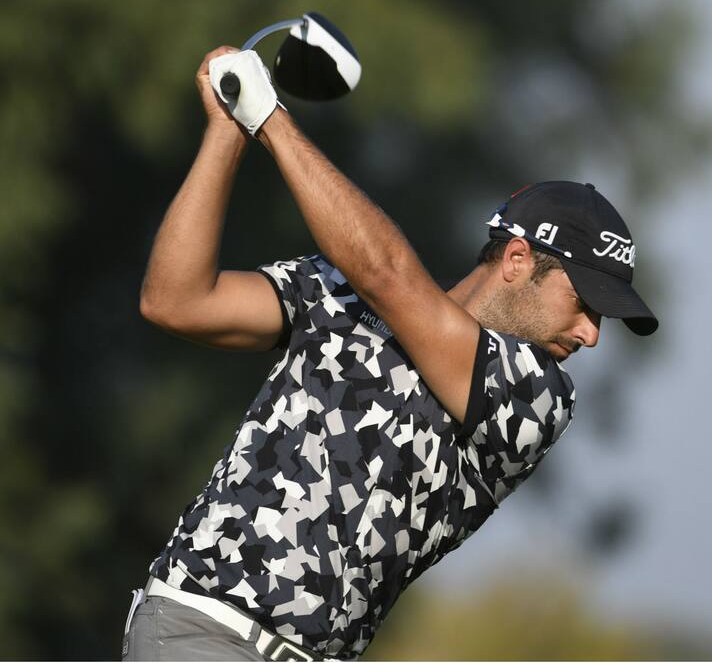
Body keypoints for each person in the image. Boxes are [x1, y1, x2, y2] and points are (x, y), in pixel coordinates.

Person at [123, 46, 658, 661]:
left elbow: (384, 271)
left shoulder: (535, 399)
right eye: (584, 302)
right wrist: (228, 132)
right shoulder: (334, 290)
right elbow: (175, 300)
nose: (591, 334)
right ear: (516, 260)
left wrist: (269, 117)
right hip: (204, 628)